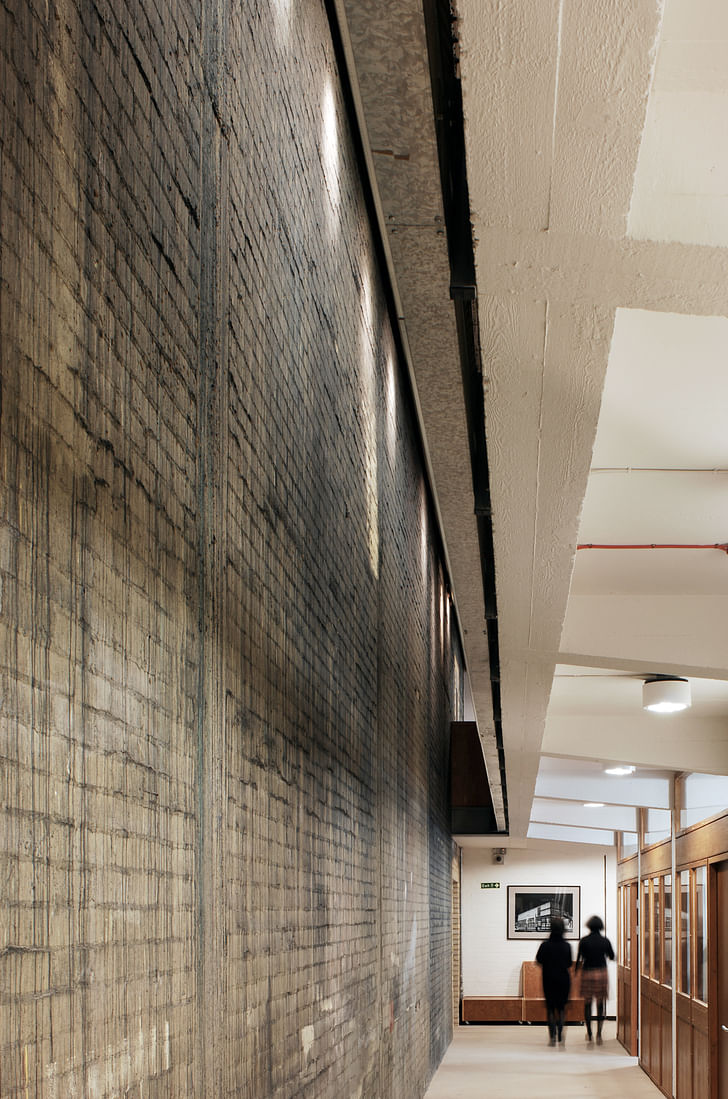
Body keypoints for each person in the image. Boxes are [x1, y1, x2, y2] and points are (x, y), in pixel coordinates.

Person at [576, 915, 614, 1045]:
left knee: (587, 1004)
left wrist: (576, 972)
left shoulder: (584, 941)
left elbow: (579, 958)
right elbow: (612, 956)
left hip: (587, 972)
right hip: (601, 973)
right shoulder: (605, 941)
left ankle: (590, 1033)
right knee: (600, 1003)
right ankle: (599, 1034)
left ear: (589, 926)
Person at [535, 916, 572, 1046]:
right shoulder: (567, 945)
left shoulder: (545, 945)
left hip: (548, 978)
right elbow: (568, 963)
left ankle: (552, 1038)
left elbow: (538, 960)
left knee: (550, 1008)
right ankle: (561, 1036)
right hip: (563, 979)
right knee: (561, 1008)